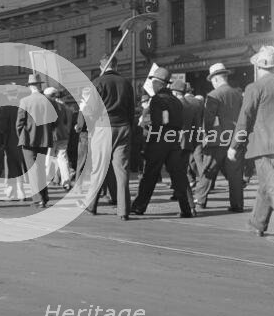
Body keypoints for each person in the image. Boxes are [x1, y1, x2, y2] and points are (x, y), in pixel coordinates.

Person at [228, 46, 274, 243]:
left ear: (259, 66)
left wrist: (235, 145)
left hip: (263, 145)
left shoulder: (255, 87)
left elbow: (245, 118)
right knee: (266, 184)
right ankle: (257, 223)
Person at [131, 67, 194, 218]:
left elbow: (161, 121)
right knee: (179, 175)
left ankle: (139, 206)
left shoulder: (157, 100)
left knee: (150, 174)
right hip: (174, 138)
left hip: (160, 138)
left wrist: (149, 141)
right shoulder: (176, 101)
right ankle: (188, 208)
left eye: (153, 82)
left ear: (158, 84)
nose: (152, 85)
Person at [79, 57, 134, 220]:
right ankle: (123, 210)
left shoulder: (98, 82)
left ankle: (91, 205)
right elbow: (131, 109)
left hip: (103, 128)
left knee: (99, 168)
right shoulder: (126, 83)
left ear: (101, 66)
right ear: (116, 65)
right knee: (122, 170)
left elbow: (90, 110)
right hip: (123, 127)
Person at [195, 63, 244, 212]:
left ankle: (200, 201)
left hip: (217, 140)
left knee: (208, 170)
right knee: (235, 174)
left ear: (215, 79)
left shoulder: (213, 95)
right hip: (235, 139)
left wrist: (206, 136)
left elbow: (208, 121)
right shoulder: (238, 93)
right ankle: (237, 204)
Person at [16, 73, 57, 208]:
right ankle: (44, 197)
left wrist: (21, 135)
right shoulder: (49, 101)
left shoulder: (25, 101)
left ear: (30, 87)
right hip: (44, 139)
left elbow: (19, 123)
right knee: (40, 170)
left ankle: (38, 199)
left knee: (33, 171)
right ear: (39, 86)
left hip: (28, 139)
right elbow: (55, 121)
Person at [169, 79, 202, 211]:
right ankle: (187, 205)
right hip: (187, 144)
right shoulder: (192, 106)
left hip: (176, 143)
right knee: (181, 174)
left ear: (175, 93)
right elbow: (196, 126)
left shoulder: (175, 106)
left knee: (181, 175)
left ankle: (189, 206)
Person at [0, 84, 26, 200]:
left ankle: (11, 193)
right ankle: (22, 192)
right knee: (20, 166)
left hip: (9, 141)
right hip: (23, 141)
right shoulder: (22, 104)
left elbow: (2, 127)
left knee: (11, 167)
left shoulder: (5, 107)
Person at [44, 87, 73, 190]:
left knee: (48, 158)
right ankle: (66, 182)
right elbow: (66, 122)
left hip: (51, 135)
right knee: (63, 158)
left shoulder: (48, 106)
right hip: (63, 135)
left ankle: (46, 181)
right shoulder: (63, 107)